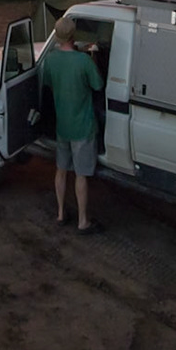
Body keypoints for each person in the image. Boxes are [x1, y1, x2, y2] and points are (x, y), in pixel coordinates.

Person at [40, 13, 105, 233]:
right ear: (73, 35)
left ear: (57, 36)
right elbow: (98, 85)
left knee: (61, 170)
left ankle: (60, 213)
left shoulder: (50, 60)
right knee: (81, 175)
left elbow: (48, 83)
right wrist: (94, 58)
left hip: (62, 126)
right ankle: (83, 221)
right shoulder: (84, 61)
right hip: (83, 127)